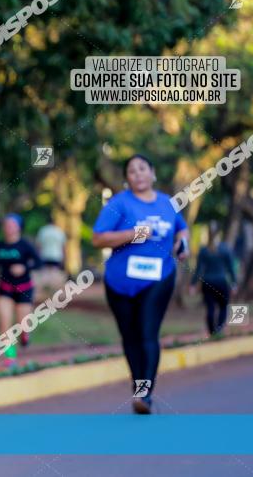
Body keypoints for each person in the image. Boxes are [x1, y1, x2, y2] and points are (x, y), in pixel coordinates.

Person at [92, 154, 189, 415]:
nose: (138, 174)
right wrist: (132, 234)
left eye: (143, 169)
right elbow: (98, 238)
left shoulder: (167, 203)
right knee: (130, 336)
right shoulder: (119, 204)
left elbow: (181, 228)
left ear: (153, 173)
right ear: (127, 179)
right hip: (119, 282)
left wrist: (183, 244)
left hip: (158, 278)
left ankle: (144, 394)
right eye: (132, 171)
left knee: (147, 333)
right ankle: (139, 387)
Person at [0, 213, 40, 366]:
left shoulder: (25, 245)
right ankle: (10, 357)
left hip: (24, 289)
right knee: (5, 324)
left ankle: (25, 335)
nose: (8, 227)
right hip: (5, 289)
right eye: (6, 224)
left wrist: (24, 267)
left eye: (12, 225)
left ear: (19, 227)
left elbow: (39, 262)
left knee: (23, 324)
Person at [191, 221, 237, 335]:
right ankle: (219, 329)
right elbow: (231, 268)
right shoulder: (225, 248)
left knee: (210, 308)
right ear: (219, 233)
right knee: (223, 307)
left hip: (207, 283)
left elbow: (198, 269)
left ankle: (212, 331)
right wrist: (234, 283)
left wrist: (193, 284)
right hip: (222, 282)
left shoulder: (204, 250)